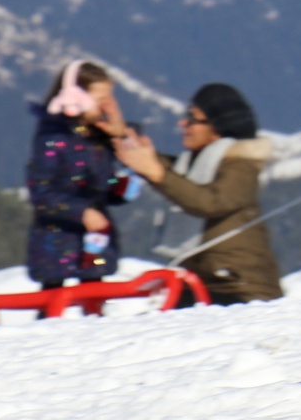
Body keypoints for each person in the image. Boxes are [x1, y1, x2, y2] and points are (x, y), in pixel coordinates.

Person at [115, 83, 284, 305]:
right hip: (204, 283)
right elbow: (179, 177)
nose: (182, 123)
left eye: (192, 118)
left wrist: (156, 172)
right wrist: (132, 149)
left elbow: (210, 201)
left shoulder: (241, 165)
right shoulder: (199, 164)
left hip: (241, 289)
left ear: (217, 126)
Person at [25, 60, 138, 288]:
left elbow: (107, 187)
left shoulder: (97, 138)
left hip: (93, 247)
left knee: (93, 307)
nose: (107, 108)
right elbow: (41, 193)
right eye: (101, 100)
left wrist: (121, 140)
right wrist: (82, 212)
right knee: (53, 308)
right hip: (56, 247)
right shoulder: (53, 138)